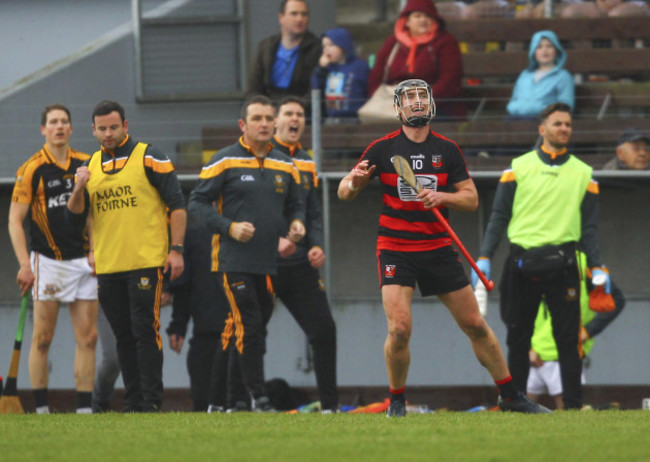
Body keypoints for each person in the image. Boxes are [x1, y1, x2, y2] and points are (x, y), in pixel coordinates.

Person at [337, 79, 549, 417]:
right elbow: (344, 193)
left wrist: (442, 196)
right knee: (400, 328)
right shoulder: (381, 149)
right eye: (410, 98)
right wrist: (355, 182)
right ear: (399, 108)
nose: (417, 102)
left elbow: (471, 199)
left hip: (437, 246)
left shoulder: (448, 149)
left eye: (423, 96)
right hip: (395, 247)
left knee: (475, 325)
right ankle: (396, 401)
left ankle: (510, 396)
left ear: (431, 103)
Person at [473, 102, 609, 410]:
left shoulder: (584, 174)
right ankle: (514, 401)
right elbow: (498, 216)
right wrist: (485, 256)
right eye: (558, 123)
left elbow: (589, 229)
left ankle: (572, 408)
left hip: (564, 264)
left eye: (568, 125)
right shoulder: (517, 169)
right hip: (521, 262)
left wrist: (599, 266)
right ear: (542, 129)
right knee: (518, 338)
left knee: (569, 341)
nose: (564, 129)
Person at [67, 100, 187, 412]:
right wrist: (78, 187)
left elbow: (177, 204)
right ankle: (133, 401)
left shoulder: (150, 156)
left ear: (126, 126)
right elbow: (75, 215)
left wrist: (176, 250)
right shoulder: (90, 165)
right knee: (122, 336)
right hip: (108, 265)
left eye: (114, 127)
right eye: (102, 128)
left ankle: (151, 400)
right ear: (93, 130)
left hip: (146, 261)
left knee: (145, 330)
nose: (108, 133)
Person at [188, 95, 305, 412]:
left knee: (237, 331)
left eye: (269, 118)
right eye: (257, 118)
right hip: (233, 261)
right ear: (243, 125)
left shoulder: (285, 163)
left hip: (267, 262)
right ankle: (258, 397)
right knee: (251, 326)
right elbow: (197, 203)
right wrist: (229, 227)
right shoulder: (224, 159)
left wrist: (295, 224)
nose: (265, 123)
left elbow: (296, 204)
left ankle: (222, 401)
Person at [8, 104, 99, 414]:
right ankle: (43, 409)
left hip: (83, 262)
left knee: (89, 337)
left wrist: (95, 249)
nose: (59, 127)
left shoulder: (86, 163)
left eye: (64, 122)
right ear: (43, 129)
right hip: (46, 261)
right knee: (43, 338)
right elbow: (14, 221)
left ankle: (84, 409)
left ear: (71, 128)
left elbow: (95, 213)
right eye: (53, 122)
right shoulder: (32, 168)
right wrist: (24, 263)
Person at [271, 96, 339, 413]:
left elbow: (312, 212)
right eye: (288, 113)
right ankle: (233, 403)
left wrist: (316, 244)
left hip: (299, 265)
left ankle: (329, 407)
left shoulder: (307, 161)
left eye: (300, 114)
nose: (295, 119)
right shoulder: (260, 157)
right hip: (264, 262)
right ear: (274, 121)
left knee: (324, 331)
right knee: (244, 334)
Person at [527, 252, 625, 409]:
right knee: (518, 414)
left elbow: (617, 300)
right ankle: (592, 410)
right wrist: (528, 347)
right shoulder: (535, 258)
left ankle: (591, 411)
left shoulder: (584, 263)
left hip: (564, 356)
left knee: (568, 414)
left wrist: (588, 331)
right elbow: (524, 311)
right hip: (533, 354)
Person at [166, 212, 226, 412]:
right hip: (206, 331)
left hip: (240, 332)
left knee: (236, 403)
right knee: (203, 403)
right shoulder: (194, 232)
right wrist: (178, 325)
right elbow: (185, 284)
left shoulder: (247, 226)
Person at [367, 0, 465, 120]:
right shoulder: (393, 43)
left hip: (435, 106)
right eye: (417, 16)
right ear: (407, 21)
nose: (423, 20)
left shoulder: (445, 42)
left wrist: (419, 101)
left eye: (428, 16)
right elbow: (376, 75)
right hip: (392, 105)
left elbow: (450, 80)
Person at [247, 0, 320, 104]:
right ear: (281, 17)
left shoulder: (317, 49)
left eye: (304, 14)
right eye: (294, 14)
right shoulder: (266, 47)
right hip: (269, 112)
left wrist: (292, 110)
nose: (300, 19)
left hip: (301, 112)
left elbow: (315, 90)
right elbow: (254, 88)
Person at [506, 30, 574, 118]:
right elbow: (513, 102)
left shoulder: (563, 76)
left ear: (556, 50)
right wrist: (518, 108)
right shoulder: (524, 76)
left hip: (547, 123)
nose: (544, 50)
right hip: (517, 121)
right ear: (533, 52)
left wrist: (536, 108)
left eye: (549, 46)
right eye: (539, 47)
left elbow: (566, 107)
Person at [310, 27, 370, 120]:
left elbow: (367, 88)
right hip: (331, 117)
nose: (326, 49)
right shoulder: (327, 68)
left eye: (331, 45)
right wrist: (321, 70)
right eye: (324, 46)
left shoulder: (359, 66)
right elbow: (316, 87)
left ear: (343, 45)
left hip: (355, 117)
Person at [92, 308, 120, 412]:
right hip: (107, 299)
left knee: (141, 354)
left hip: (139, 297)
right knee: (112, 359)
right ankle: (98, 403)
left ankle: (145, 405)